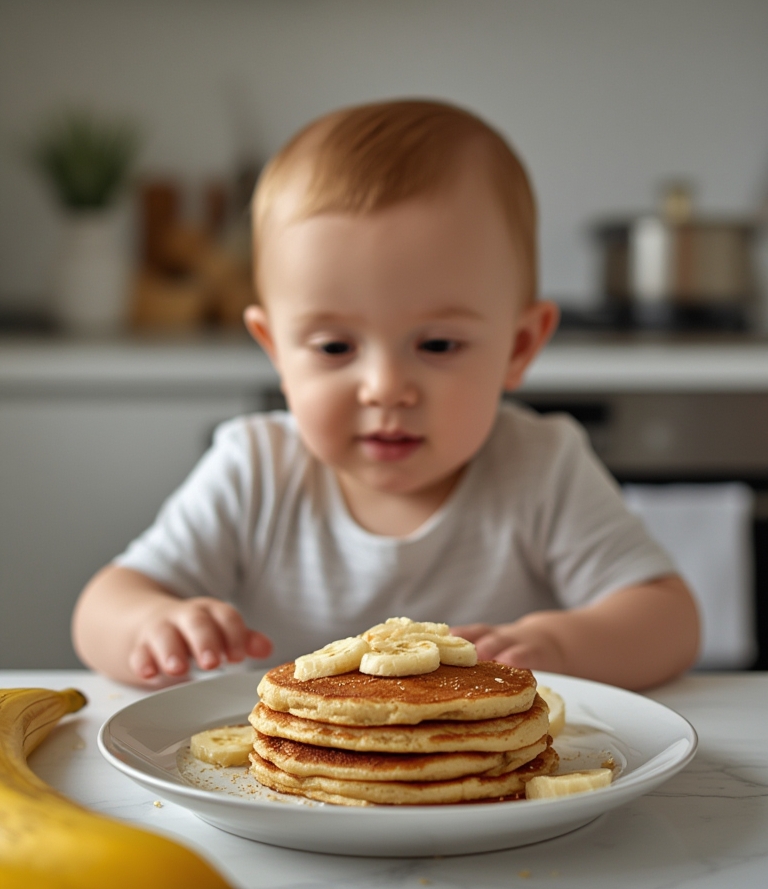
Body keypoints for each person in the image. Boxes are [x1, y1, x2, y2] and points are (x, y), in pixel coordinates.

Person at [72, 99, 699, 689]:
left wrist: (562, 644)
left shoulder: (541, 468)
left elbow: (670, 621)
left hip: (482, 787)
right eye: (335, 348)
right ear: (275, 352)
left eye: (437, 346)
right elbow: (103, 606)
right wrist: (150, 625)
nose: (386, 388)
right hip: (298, 786)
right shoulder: (255, 470)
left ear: (518, 346)